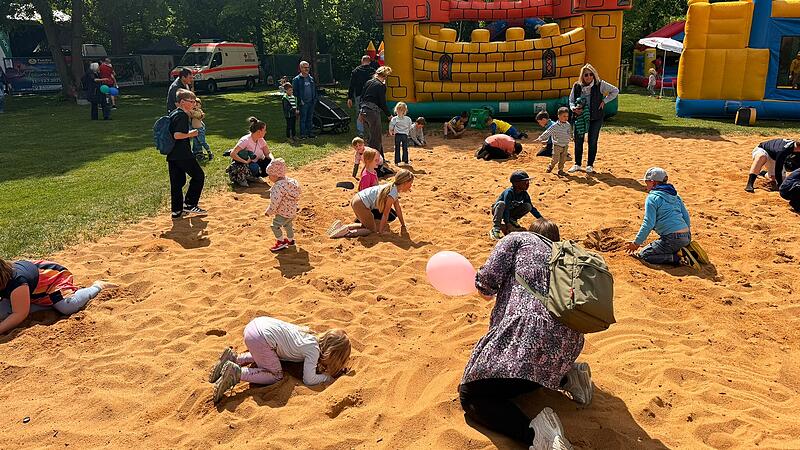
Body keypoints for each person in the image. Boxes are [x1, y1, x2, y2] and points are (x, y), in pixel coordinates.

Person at [459, 231, 591, 449]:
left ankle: (540, 437)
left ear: (532, 232)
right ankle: (569, 376)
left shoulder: (518, 238)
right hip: (570, 341)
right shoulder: (565, 255)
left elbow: (486, 282)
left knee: (472, 396)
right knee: (530, 368)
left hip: (529, 334)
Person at [209, 316, 351, 403]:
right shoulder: (313, 350)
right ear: (332, 355)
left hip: (256, 325)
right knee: (277, 375)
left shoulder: (309, 333)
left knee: (270, 354)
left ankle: (235, 358)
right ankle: (237, 373)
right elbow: (309, 379)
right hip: (262, 338)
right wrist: (326, 378)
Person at [0, 258, 118, 334]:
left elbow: (19, 314)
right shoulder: (7, 282)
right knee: (3, 313)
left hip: (53, 279)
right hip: (32, 291)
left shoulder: (16, 281)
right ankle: (50, 305)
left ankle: (98, 286)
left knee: (67, 307)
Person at [625, 167, 702, 268]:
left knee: (644, 255)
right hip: (686, 236)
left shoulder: (652, 197)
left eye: (646, 182)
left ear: (653, 183)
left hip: (672, 238)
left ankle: (680, 258)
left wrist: (636, 243)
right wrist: (685, 236)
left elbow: (648, 223)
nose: (645, 185)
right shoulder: (675, 196)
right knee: (664, 246)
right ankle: (683, 249)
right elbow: (686, 216)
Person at [328, 169, 414, 238]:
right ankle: (347, 233)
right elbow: (385, 213)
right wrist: (381, 231)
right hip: (361, 204)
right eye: (410, 184)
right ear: (404, 183)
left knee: (365, 225)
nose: (411, 186)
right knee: (371, 230)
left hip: (357, 199)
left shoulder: (393, 187)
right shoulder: (392, 193)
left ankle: (343, 227)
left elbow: (398, 208)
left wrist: (403, 225)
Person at [568, 64, 619, 174]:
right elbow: (571, 99)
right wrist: (573, 108)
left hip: (596, 117)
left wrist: (604, 101)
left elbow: (615, 90)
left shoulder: (600, 84)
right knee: (578, 141)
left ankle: (590, 165)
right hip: (580, 117)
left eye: (591, 74)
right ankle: (577, 164)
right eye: (586, 75)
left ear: (594, 75)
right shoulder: (577, 86)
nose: (589, 77)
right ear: (582, 76)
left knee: (592, 141)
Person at [168, 89, 207, 218]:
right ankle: (190, 204)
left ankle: (176, 211)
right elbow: (177, 135)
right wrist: (191, 134)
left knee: (177, 182)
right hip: (182, 154)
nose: (194, 104)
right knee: (198, 176)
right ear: (183, 102)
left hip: (172, 154)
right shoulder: (182, 116)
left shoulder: (174, 113)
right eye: (192, 101)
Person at [489, 171, 544, 240]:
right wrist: (507, 223)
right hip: (500, 211)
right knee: (501, 204)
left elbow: (532, 208)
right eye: (525, 182)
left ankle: (512, 219)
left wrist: (541, 219)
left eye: (528, 182)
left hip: (511, 212)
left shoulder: (524, 193)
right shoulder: (509, 192)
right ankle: (496, 228)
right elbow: (506, 209)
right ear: (516, 184)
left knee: (528, 206)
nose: (528, 184)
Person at [264, 158, 301, 252]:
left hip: (283, 212)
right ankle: (290, 240)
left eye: (270, 175)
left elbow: (275, 202)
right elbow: (298, 193)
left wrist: (269, 211)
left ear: (276, 175)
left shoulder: (277, 187)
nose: (269, 178)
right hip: (292, 210)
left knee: (275, 226)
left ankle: (281, 242)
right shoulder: (291, 182)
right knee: (288, 225)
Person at [226, 117, 274, 187]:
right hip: (243, 163)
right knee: (254, 167)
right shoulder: (245, 140)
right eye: (264, 130)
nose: (266, 132)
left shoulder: (261, 139)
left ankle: (254, 177)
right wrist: (245, 161)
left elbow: (267, 153)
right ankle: (242, 178)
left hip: (255, 162)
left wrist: (273, 160)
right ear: (258, 131)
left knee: (268, 163)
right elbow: (232, 154)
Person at [360, 66, 393, 158]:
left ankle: (380, 159)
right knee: (376, 139)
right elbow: (382, 103)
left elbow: (362, 98)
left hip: (364, 110)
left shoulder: (368, 82)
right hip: (372, 112)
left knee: (372, 137)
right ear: (385, 76)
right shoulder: (381, 86)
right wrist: (389, 115)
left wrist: (360, 113)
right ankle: (374, 161)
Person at [533, 107, 572, 174]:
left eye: (567, 116)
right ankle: (550, 166)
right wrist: (540, 138)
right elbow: (547, 132)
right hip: (557, 145)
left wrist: (571, 137)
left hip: (565, 145)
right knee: (555, 159)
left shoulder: (568, 125)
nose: (566, 118)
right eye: (564, 116)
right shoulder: (555, 126)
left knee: (563, 159)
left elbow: (569, 132)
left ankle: (561, 170)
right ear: (559, 116)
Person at [347, 55, 376, 137]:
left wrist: (349, 97)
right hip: (370, 96)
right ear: (369, 62)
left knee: (359, 113)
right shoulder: (373, 71)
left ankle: (361, 132)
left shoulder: (356, 71)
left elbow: (351, 85)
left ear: (361, 61)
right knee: (371, 113)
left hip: (359, 95)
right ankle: (371, 132)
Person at [292, 61, 318, 139]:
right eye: (305, 67)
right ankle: (303, 134)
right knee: (303, 119)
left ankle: (310, 132)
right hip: (303, 103)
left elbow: (314, 89)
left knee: (310, 118)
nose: (307, 69)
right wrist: (300, 101)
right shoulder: (297, 79)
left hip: (311, 102)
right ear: (301, 68)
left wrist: (315, 98)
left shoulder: (311, 78)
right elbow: (295, 92)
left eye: (308, 67)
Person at [389, 102, 413, 166]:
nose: (399, 111)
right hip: (403, 135)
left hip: (399, 135)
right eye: (399, 110)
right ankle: (404, 161)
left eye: (400, 110)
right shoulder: (407, 119)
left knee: (399, 148)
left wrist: (391, 132)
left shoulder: (395, 119)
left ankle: (398, 162)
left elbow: (391, 127)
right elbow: (410, 127)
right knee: (403, 148)